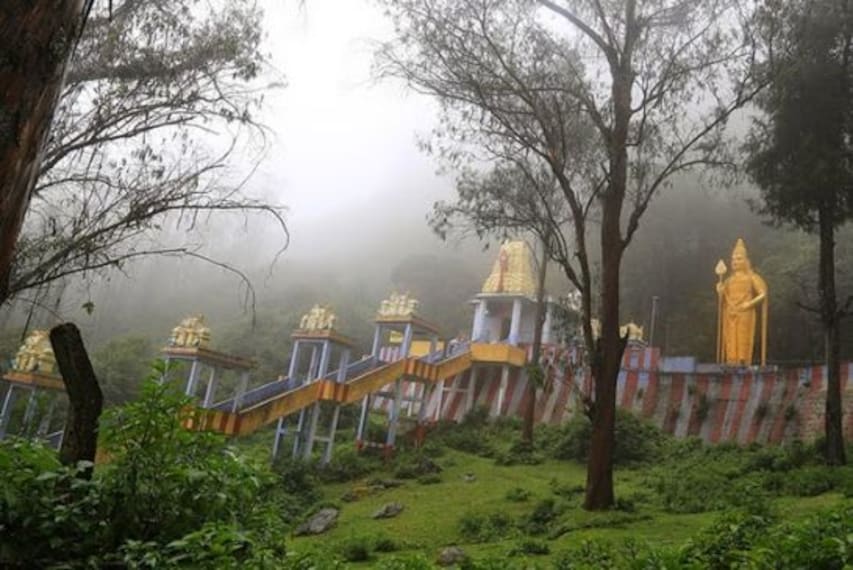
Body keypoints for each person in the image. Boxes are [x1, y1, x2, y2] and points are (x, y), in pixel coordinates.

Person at [716, 238, 768, 365]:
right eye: (733, 259)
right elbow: (723, 298)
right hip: (730, 311)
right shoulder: (728, 280)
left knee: (743, 336)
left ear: (746, 261)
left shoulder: (752, 277)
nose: (735, 262)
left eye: (739, 259)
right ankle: (731, 360)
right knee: (730, 337)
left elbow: (763, 293)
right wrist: (720, 291)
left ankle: (743, 361)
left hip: (745, 311)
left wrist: (749, 304)